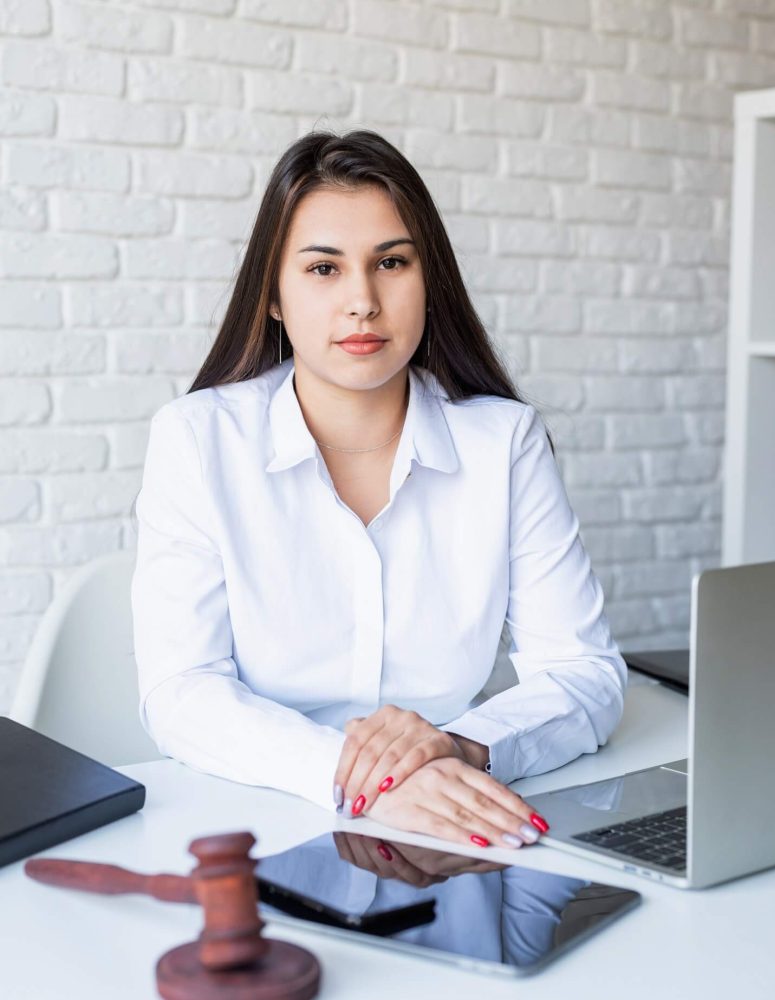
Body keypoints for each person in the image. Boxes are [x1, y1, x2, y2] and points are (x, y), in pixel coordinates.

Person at [131, 128, 626, 856]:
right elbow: (181, 692)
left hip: (451, 824)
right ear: (272, 295)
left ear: (429, 280)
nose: (362, 301)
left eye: (390, 262)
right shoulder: (199, 442)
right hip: (260, 823)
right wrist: (360, 775)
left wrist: (456, 748)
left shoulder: (505, 443)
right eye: (324, 269)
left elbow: (586, 671)